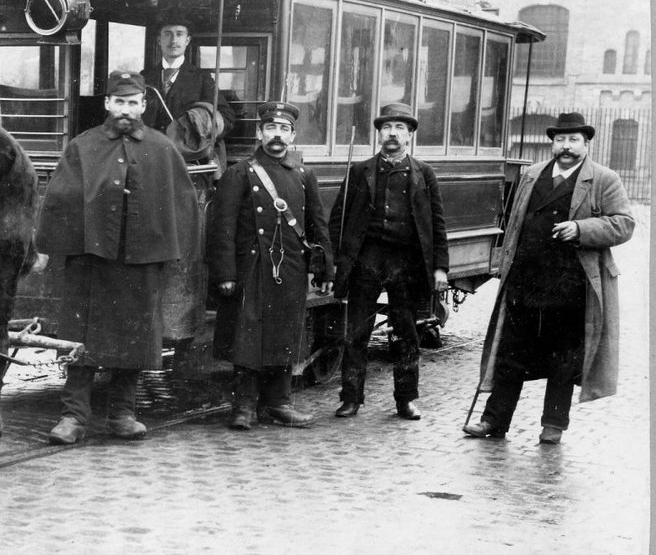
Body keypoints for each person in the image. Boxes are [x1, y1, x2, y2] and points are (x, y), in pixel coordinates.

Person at [36, 70, 199, 444]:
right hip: (91, 260)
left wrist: (177, 254)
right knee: (81, 336)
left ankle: (123, 413)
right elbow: (59, 199)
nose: (126, 110)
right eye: (119, 102)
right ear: (107, 103)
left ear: (143, 106)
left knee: (135, 338)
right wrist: (50, 247)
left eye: (133, 103)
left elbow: (183, 204)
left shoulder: (162, 149)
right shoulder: (83, 146)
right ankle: (73, 417)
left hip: (141, 262)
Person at [463, 111, 633, 445]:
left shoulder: (603, 179)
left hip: (571, 285)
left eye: (573, 140)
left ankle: (553, 425)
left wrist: (582, 228)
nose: (566, 147)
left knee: (563, 359)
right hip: (525, 280)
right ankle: (493, 421)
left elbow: (624, 223)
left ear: (586, 144)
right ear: (552, 143)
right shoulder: (531, 174)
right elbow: (513, 222)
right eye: (560, 140)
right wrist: (504, 262)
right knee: (510, 354)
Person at [206, 100, 333, 430]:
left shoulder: (305, 176)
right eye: (271, 129)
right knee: (248, 337)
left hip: (290, 269)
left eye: (284, 130)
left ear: (292, 136)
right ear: (260, 133)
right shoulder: (239, 173)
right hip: (252, 269)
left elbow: (318, 226)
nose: (277, 135)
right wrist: (225, 275)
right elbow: (223, 229)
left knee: (285, 336)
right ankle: (244, 406)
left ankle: (278, 403)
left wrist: (325, 269)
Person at [327, 103, 449, 421]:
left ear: (409, 135)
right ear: (379, 134)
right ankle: (351, 397)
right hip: (367, 260)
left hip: (405, 263)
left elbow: (437, 224)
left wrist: (440, 267)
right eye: (386, 128)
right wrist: (337, 261)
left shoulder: (424, 174)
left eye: (399, 128)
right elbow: (338, 218)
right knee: (357, 332)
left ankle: (406, 399)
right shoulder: (360, 171)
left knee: (405, 333)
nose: (392, 133)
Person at [140, 17, 234, 163]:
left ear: (187, 40)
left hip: (187, 161)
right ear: (159, 40)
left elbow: (226, 118)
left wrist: (198, 129)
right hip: (150, 158)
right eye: (167, 34)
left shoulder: (202, 78)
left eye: (179, 34)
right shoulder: (145, 77)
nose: (173, 40)